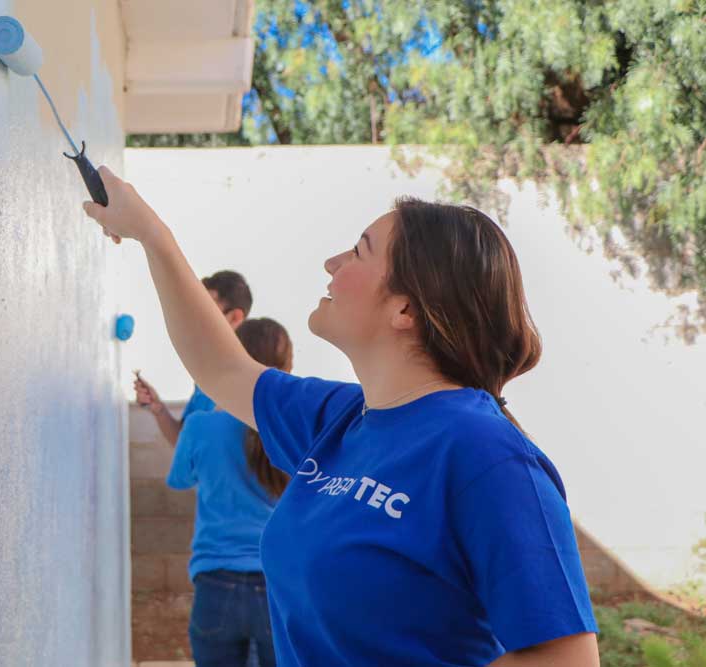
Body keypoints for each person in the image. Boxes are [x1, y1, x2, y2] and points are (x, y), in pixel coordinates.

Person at [85, 167, 600, 667]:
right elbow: (221, 367)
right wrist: (151, 235)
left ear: (406, 311)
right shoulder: (339, 418)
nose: (332, 263)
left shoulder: (487, 456)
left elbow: (566, 658)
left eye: (358, 251)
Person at [167, 318, 292, 667]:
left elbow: (179, 479)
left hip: (215, 587)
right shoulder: (295, 429)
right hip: (278, 590)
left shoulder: (201, 425)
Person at [134, 270, 253, 445]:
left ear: (235, 317)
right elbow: (182, 441)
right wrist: (158, 409)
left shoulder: (245, 378)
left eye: (207, 310)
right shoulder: (207, 368)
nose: (197, 317)